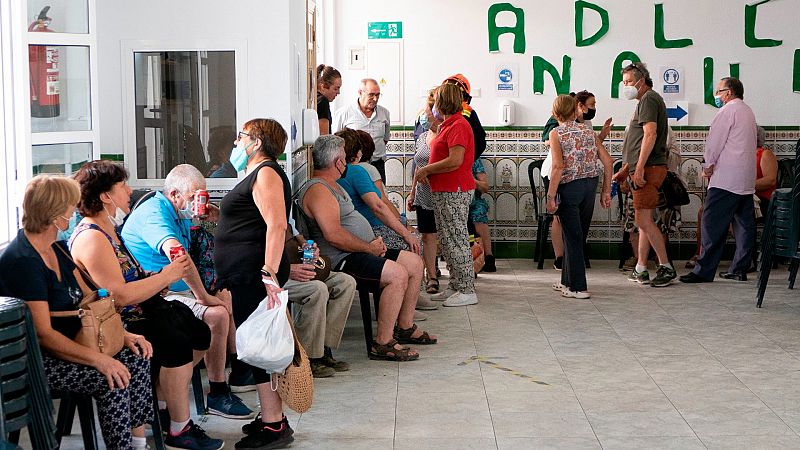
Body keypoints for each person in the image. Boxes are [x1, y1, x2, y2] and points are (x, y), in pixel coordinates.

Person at [69, 161, 221, 450]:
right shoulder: (92, 238)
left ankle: (162, 406)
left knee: (199, 331)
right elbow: (118, 297)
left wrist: (152, 280)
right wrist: (165, 276)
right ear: (105, 196)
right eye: (122, 186)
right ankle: (179, 427)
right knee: (175, 341)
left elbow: (126, 277)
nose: (129, 191)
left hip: (142, 309)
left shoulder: (109, 230)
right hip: (119, 323)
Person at [0, 175, 153, 450]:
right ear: (56, 214)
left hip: (77, 340)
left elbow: (90, 300)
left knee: (137, 356)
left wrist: (123, 334)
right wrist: (100, 360)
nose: (74, 211)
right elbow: (44, 335)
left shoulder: (57, 249)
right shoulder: (22, 260)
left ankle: (138, 442)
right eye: (70, 206)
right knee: (113, 378)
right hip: (39, 360)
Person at [121, 164, 252, 419]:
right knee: (216, 314)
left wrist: (215, 218)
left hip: (177, 290)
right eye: (193, 198)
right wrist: (204, 296)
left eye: (201, 196)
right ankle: (216, 390)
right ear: (174, 195)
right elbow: (179, 256)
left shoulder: (179, 214)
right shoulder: (154, 214)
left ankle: (239, 369)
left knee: (228, 295)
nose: (197, 203)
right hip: (157, 293)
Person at [298, 135, 437, 361]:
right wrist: (368, 248)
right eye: (343, 157)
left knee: (414, 263)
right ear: (337, 162)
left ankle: (404, 326)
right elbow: (334, 236)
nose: (346, 162)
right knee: (397, 274)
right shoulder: (319, 190)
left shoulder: (332, 185)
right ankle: (382, 342)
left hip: (360, 249)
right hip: (343, 257)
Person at [213, 118, 295, 449]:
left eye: (242, 137)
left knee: (261, 349)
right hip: (247, 273)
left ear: (257, 143)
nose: (236, 143)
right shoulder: (258, 174)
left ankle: (274, 425)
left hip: (255, 275)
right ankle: (271, 416)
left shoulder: (266, 174)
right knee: (259, 346)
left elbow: (277, 227)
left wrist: (268, 273)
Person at [680, 78, 758, 283]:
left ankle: (703, 271)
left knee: (711, 223)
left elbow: (714, 142)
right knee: (743, 225)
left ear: (729, 92)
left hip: (726, 178)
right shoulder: (748, 111)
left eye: (719, 91)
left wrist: (707, 166)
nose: (717, 95)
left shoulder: (727, 111)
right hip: (745, 178)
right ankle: (739, 268)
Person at [414, 83, 478, 307]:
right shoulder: (448, 125)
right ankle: (455, 285)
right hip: (443, 191)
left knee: (457, 240)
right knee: (447, 240)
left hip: (454, 190)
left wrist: (427, 170)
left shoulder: (459, 125)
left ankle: (467, 289)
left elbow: (455, 160)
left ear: (443, 102)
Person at [616, 62, 677, 287]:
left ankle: (666, 266)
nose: (626, 86)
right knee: (644, 219)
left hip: (649, 169)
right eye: (624, 83)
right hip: (643, 168)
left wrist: (639, 167)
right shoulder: (646, 100)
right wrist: (627, 168)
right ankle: (641, 268)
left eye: (629, 82)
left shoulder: (649, 99)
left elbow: (649, 135)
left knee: (642, 219)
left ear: (641, 81)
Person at [546, 95, 612, 298]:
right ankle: (567, 282)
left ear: (555, 113)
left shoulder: (556, 133)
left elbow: (557, 166)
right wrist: (606, 190)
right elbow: (608, 162)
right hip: (589, 186)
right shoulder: (589, 132)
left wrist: (550, 195)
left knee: (572, 237)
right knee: (576, 235)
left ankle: (578, 287)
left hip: (570, 188)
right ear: (576, 111)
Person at [334, 128, 422, 256]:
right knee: (418, 245)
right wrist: (406, 232)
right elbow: (379, 206)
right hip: (373, 230)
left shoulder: (333, 174)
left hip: (353, 231)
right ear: (358, 153)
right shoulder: (356, 172)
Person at [283, 231, 356, 378]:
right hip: (275, 275)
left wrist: (309, 249)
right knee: (317, 289)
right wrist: (286, 269)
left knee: (346, 282)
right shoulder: (256, 215)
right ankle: (307, 357)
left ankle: (322, 349)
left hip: (297, 265)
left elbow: (300, 238)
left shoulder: (289, 212)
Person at [408, 91, 443, 293]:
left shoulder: (445, 135)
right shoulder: (422, 137)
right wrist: (412, 192)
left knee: (445, 236)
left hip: (443, 193)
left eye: (427, 111)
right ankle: (432, 276)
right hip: (423, 193)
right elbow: (418, 167)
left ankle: (457, 276)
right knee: (428, 236)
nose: (424, 114)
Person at [332, 78, 391, 182]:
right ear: (360, 93)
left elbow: (385, 139)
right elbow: (336, 141)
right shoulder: (343, 113)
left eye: (378, 95)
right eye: (371, 94)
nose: (375, 99)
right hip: (352, 166)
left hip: (378, 165)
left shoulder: (384, 113)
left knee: (379, 195)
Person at [470, 157, 495, 272]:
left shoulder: (474, 160)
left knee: (479, 213)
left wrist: (471, 180)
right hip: (452, 201)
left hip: (474, 201)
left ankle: (489, 258)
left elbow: (485, 187)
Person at [316, 64, 342, 135]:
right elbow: (324, 137)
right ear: (322, 86)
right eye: (336, 89)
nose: (338, 92)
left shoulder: (315, 99)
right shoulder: (322, 101)